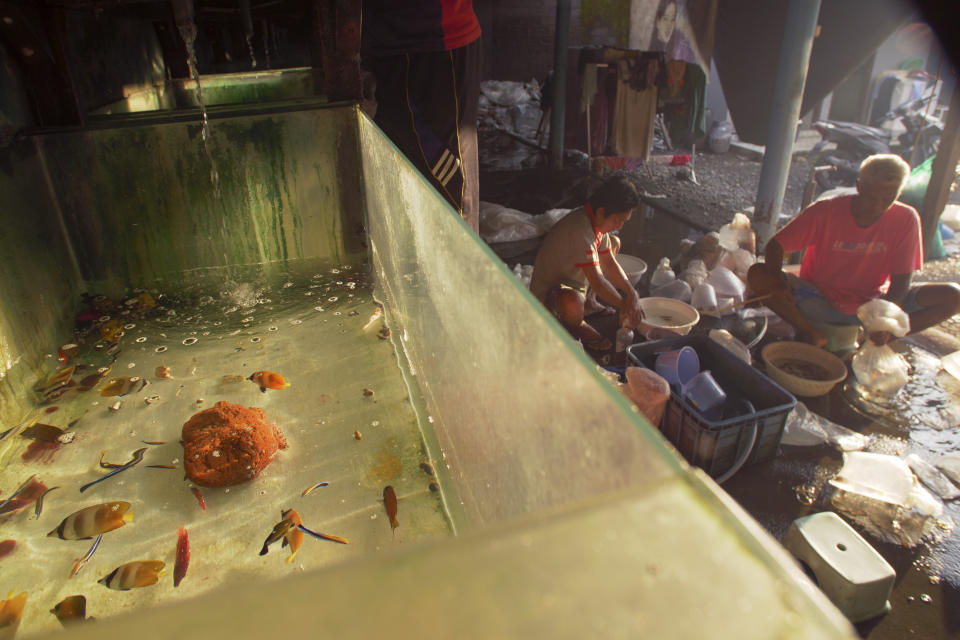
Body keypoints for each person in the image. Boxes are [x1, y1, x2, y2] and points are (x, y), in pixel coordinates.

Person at [747, 153, 960, 348]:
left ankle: (881, 338)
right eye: (871, 197)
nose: (877, 206)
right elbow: (775, 246)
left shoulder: (906, 218)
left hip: (871, 305)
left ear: (899, 193)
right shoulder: (826, 210)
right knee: (757, 273)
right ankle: (811, 332)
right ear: (859, 186)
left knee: (954, 296)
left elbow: (902, 281)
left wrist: (885, 320)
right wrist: (778, 283)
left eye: (888, 199)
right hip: (815, 299)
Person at [360, 1, 482, 232]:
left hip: (430, 42)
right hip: (387, 39)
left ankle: (456, 265)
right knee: (403, 186)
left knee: (446, 196)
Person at [529, 175, 645, 350]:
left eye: (623, 221)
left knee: (613, 243)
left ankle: (589, 302)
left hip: (575, 282)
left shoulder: (596, 224)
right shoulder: (580, 230)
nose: (620, 226)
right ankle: (575, 325)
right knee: (572, 301)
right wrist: (625, 306)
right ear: (601, 212)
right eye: (617, 220)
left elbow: (610, 264)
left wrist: (632, 293)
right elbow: (598, 282)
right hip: (549, 297)